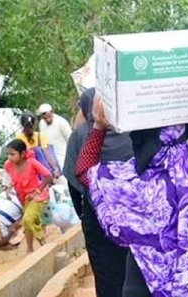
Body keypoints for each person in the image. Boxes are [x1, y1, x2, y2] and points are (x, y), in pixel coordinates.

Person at [75, 95, 188, 297]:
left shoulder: (129, 182)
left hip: (142, 284)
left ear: (139, 140)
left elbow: (84, 171)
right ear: (185, 137)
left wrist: (99, 126)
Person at [64, 87, 134, 297]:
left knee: (107, 278)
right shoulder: (134, 131)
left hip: (99, 221)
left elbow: (75, 184)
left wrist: (87, 214)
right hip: (135, 218)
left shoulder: (81, 136)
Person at [4, 139, 53, 254]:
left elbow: (48, 176)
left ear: (22, 154)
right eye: (8, 154)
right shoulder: (8, 165)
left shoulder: (31, 163)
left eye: (12, 154)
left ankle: (42, 241)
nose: (9, 157)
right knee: (27, 223)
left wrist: (37, 191)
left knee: (27, 219)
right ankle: (29, 248)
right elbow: (10, 179)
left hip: (37, 197)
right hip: (23, 198)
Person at [16, 113, 61, 178]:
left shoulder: (18, 139)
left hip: (28, 172)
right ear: (35, 124)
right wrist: (55, 168)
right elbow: (47, 154)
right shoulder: (41, 136)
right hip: (43, 171)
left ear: (22, 124)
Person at [38, 104, 73, 169]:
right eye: (45, 118)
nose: (48, 120)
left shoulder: (61, 122)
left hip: (63, 156)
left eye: (49, 117)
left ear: (52, 112)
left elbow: (71, 139)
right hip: (49, 158)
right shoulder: (41, 123)